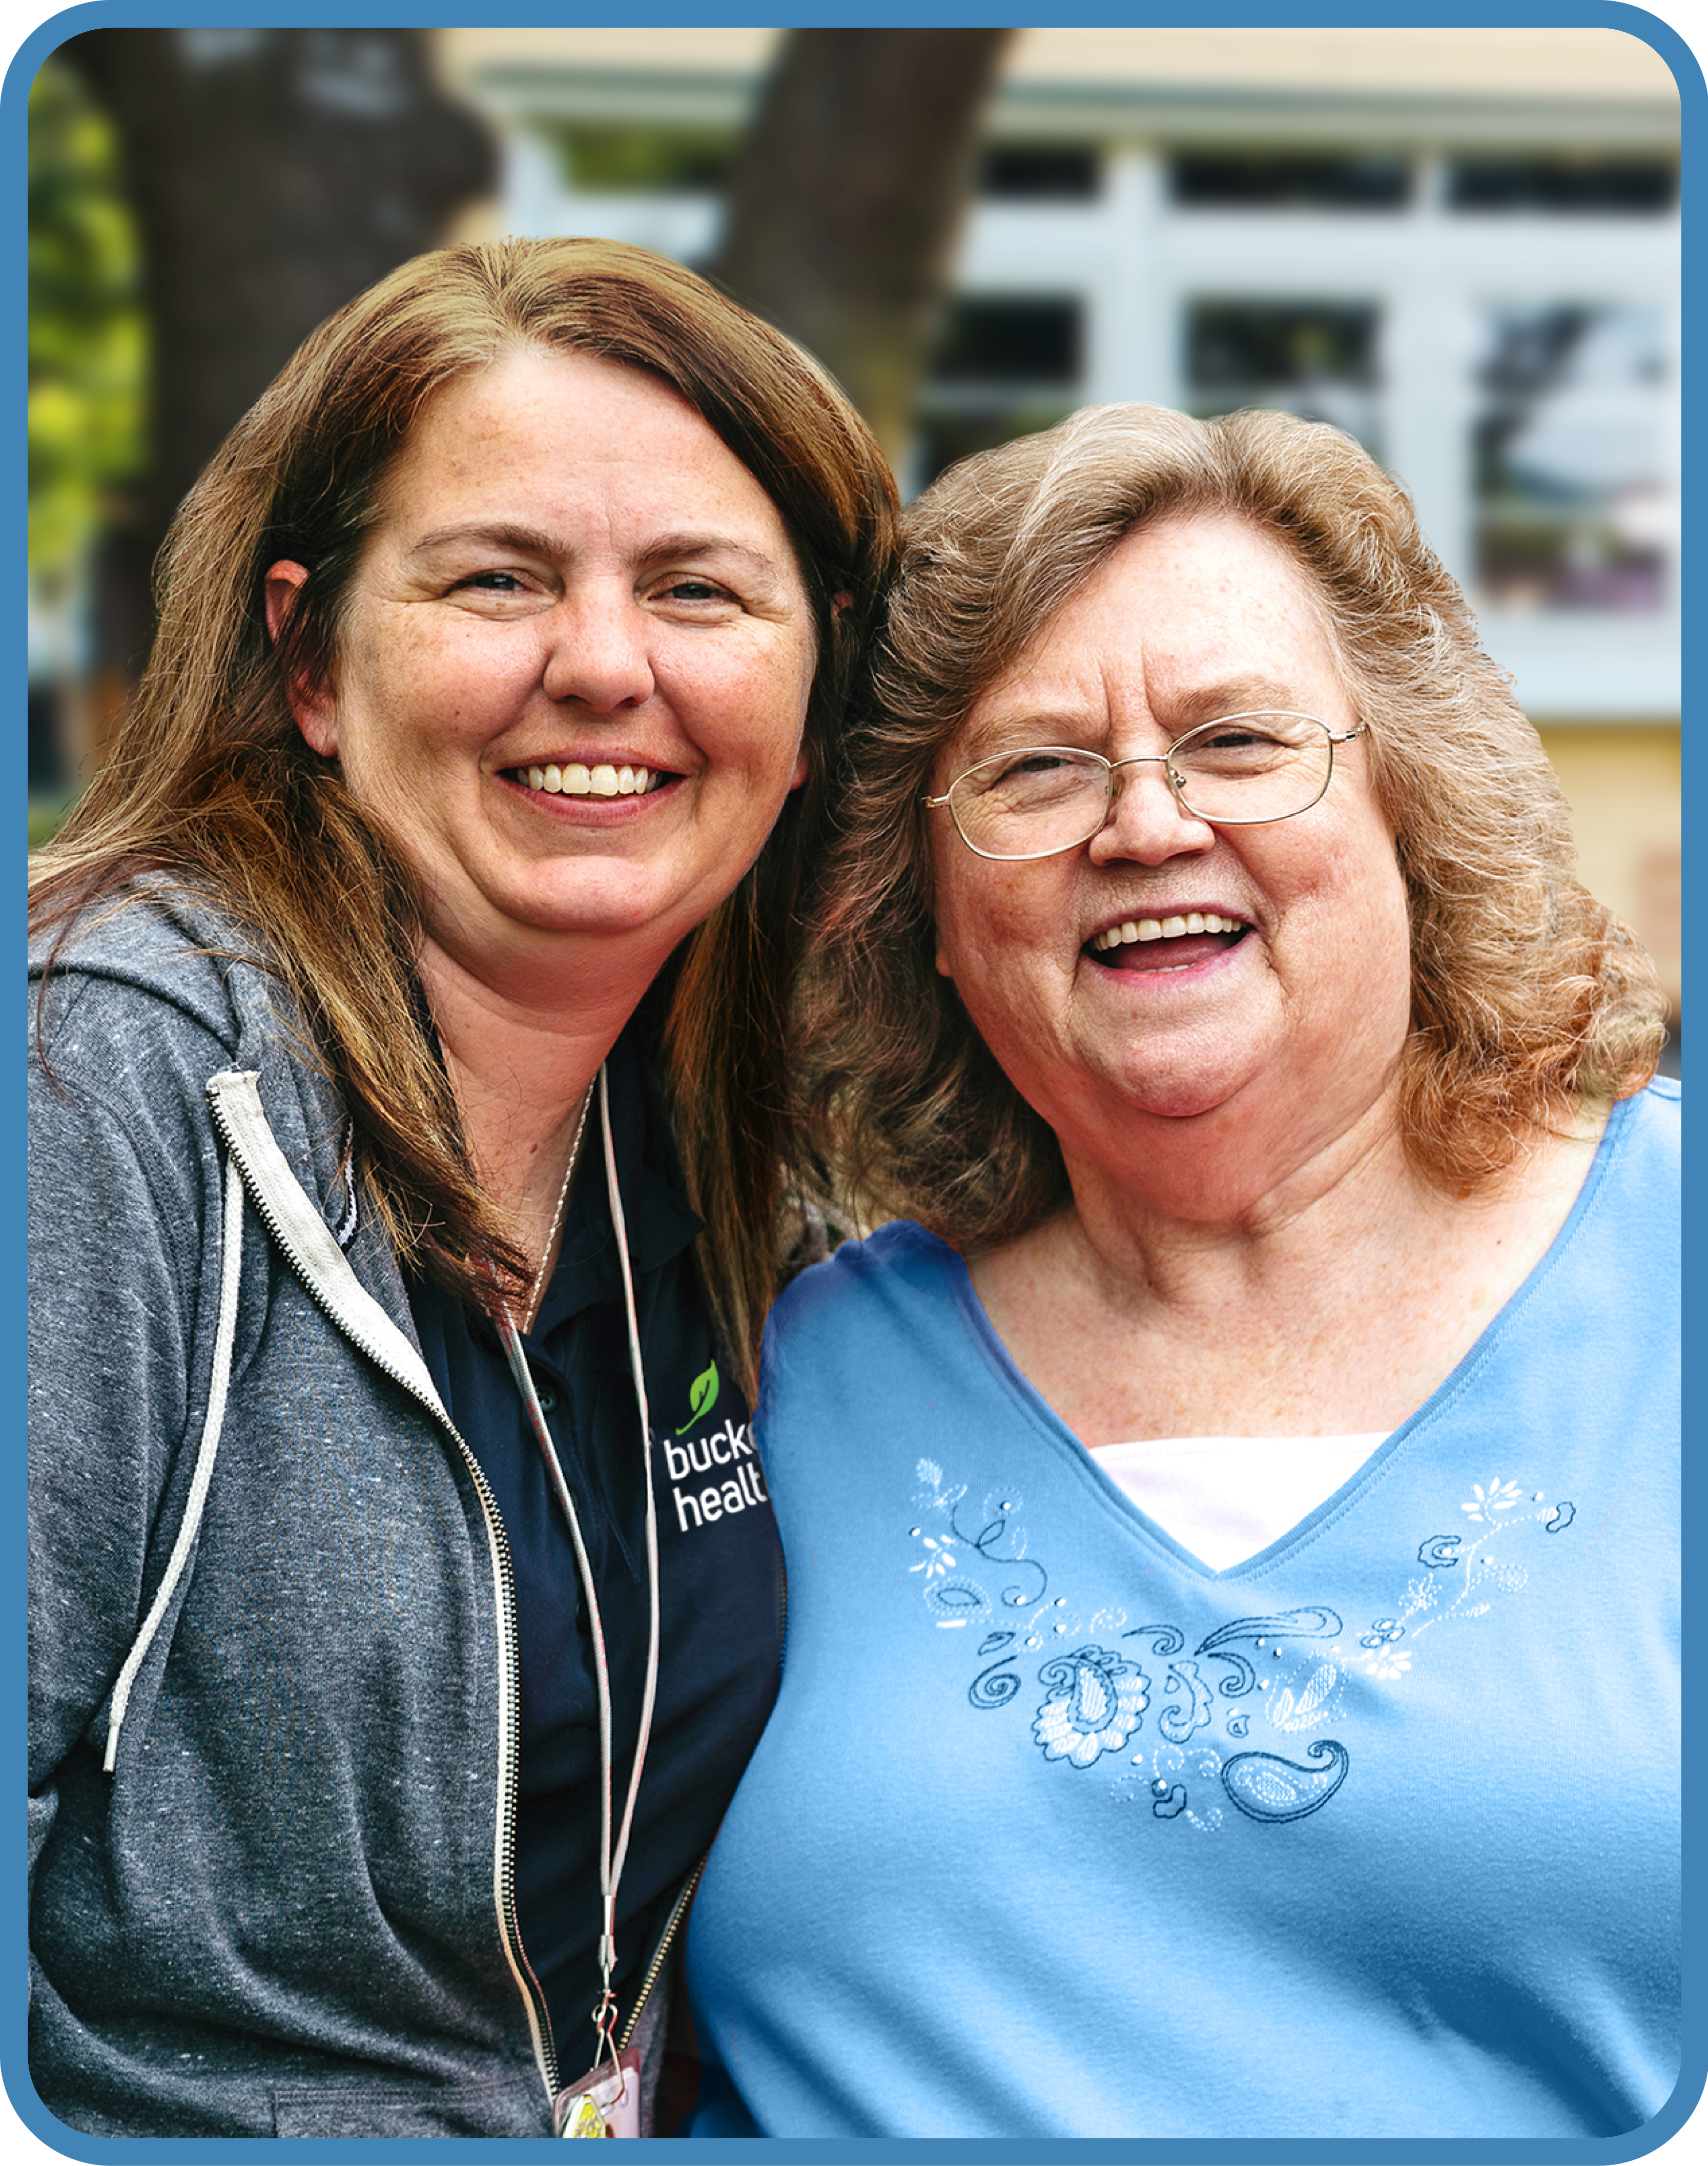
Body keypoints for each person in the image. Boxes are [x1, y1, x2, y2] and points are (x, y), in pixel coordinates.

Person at [684, 403, 1679, 2139]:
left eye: (1234, 739)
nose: (1143, 822)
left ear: (1406, 810)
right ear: (920, 895)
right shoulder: (796, 1374)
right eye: (1034, 767)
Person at [28, 236, 897, 2139]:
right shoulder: (103, 1073)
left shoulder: (737, 1171)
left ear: (817, 690)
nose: (603, 664)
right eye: (497, 579)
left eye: (697, 590)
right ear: (311, 660)